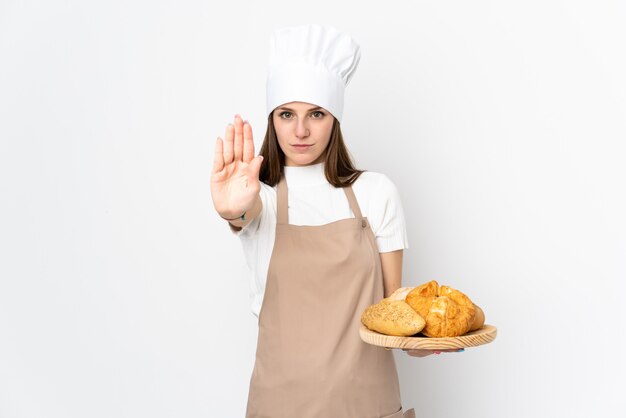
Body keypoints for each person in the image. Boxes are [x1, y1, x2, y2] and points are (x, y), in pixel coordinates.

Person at [211, 24, 454, 418]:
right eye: (287, 114)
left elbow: (398, 314)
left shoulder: (377, 193)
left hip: (368, 404)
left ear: (334, 119)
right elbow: (244, 214)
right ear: (273, 119)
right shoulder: (263, 200)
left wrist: (423, 339)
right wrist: (231, 210)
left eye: (316, 114)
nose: (301, 130)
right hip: (280, 406)